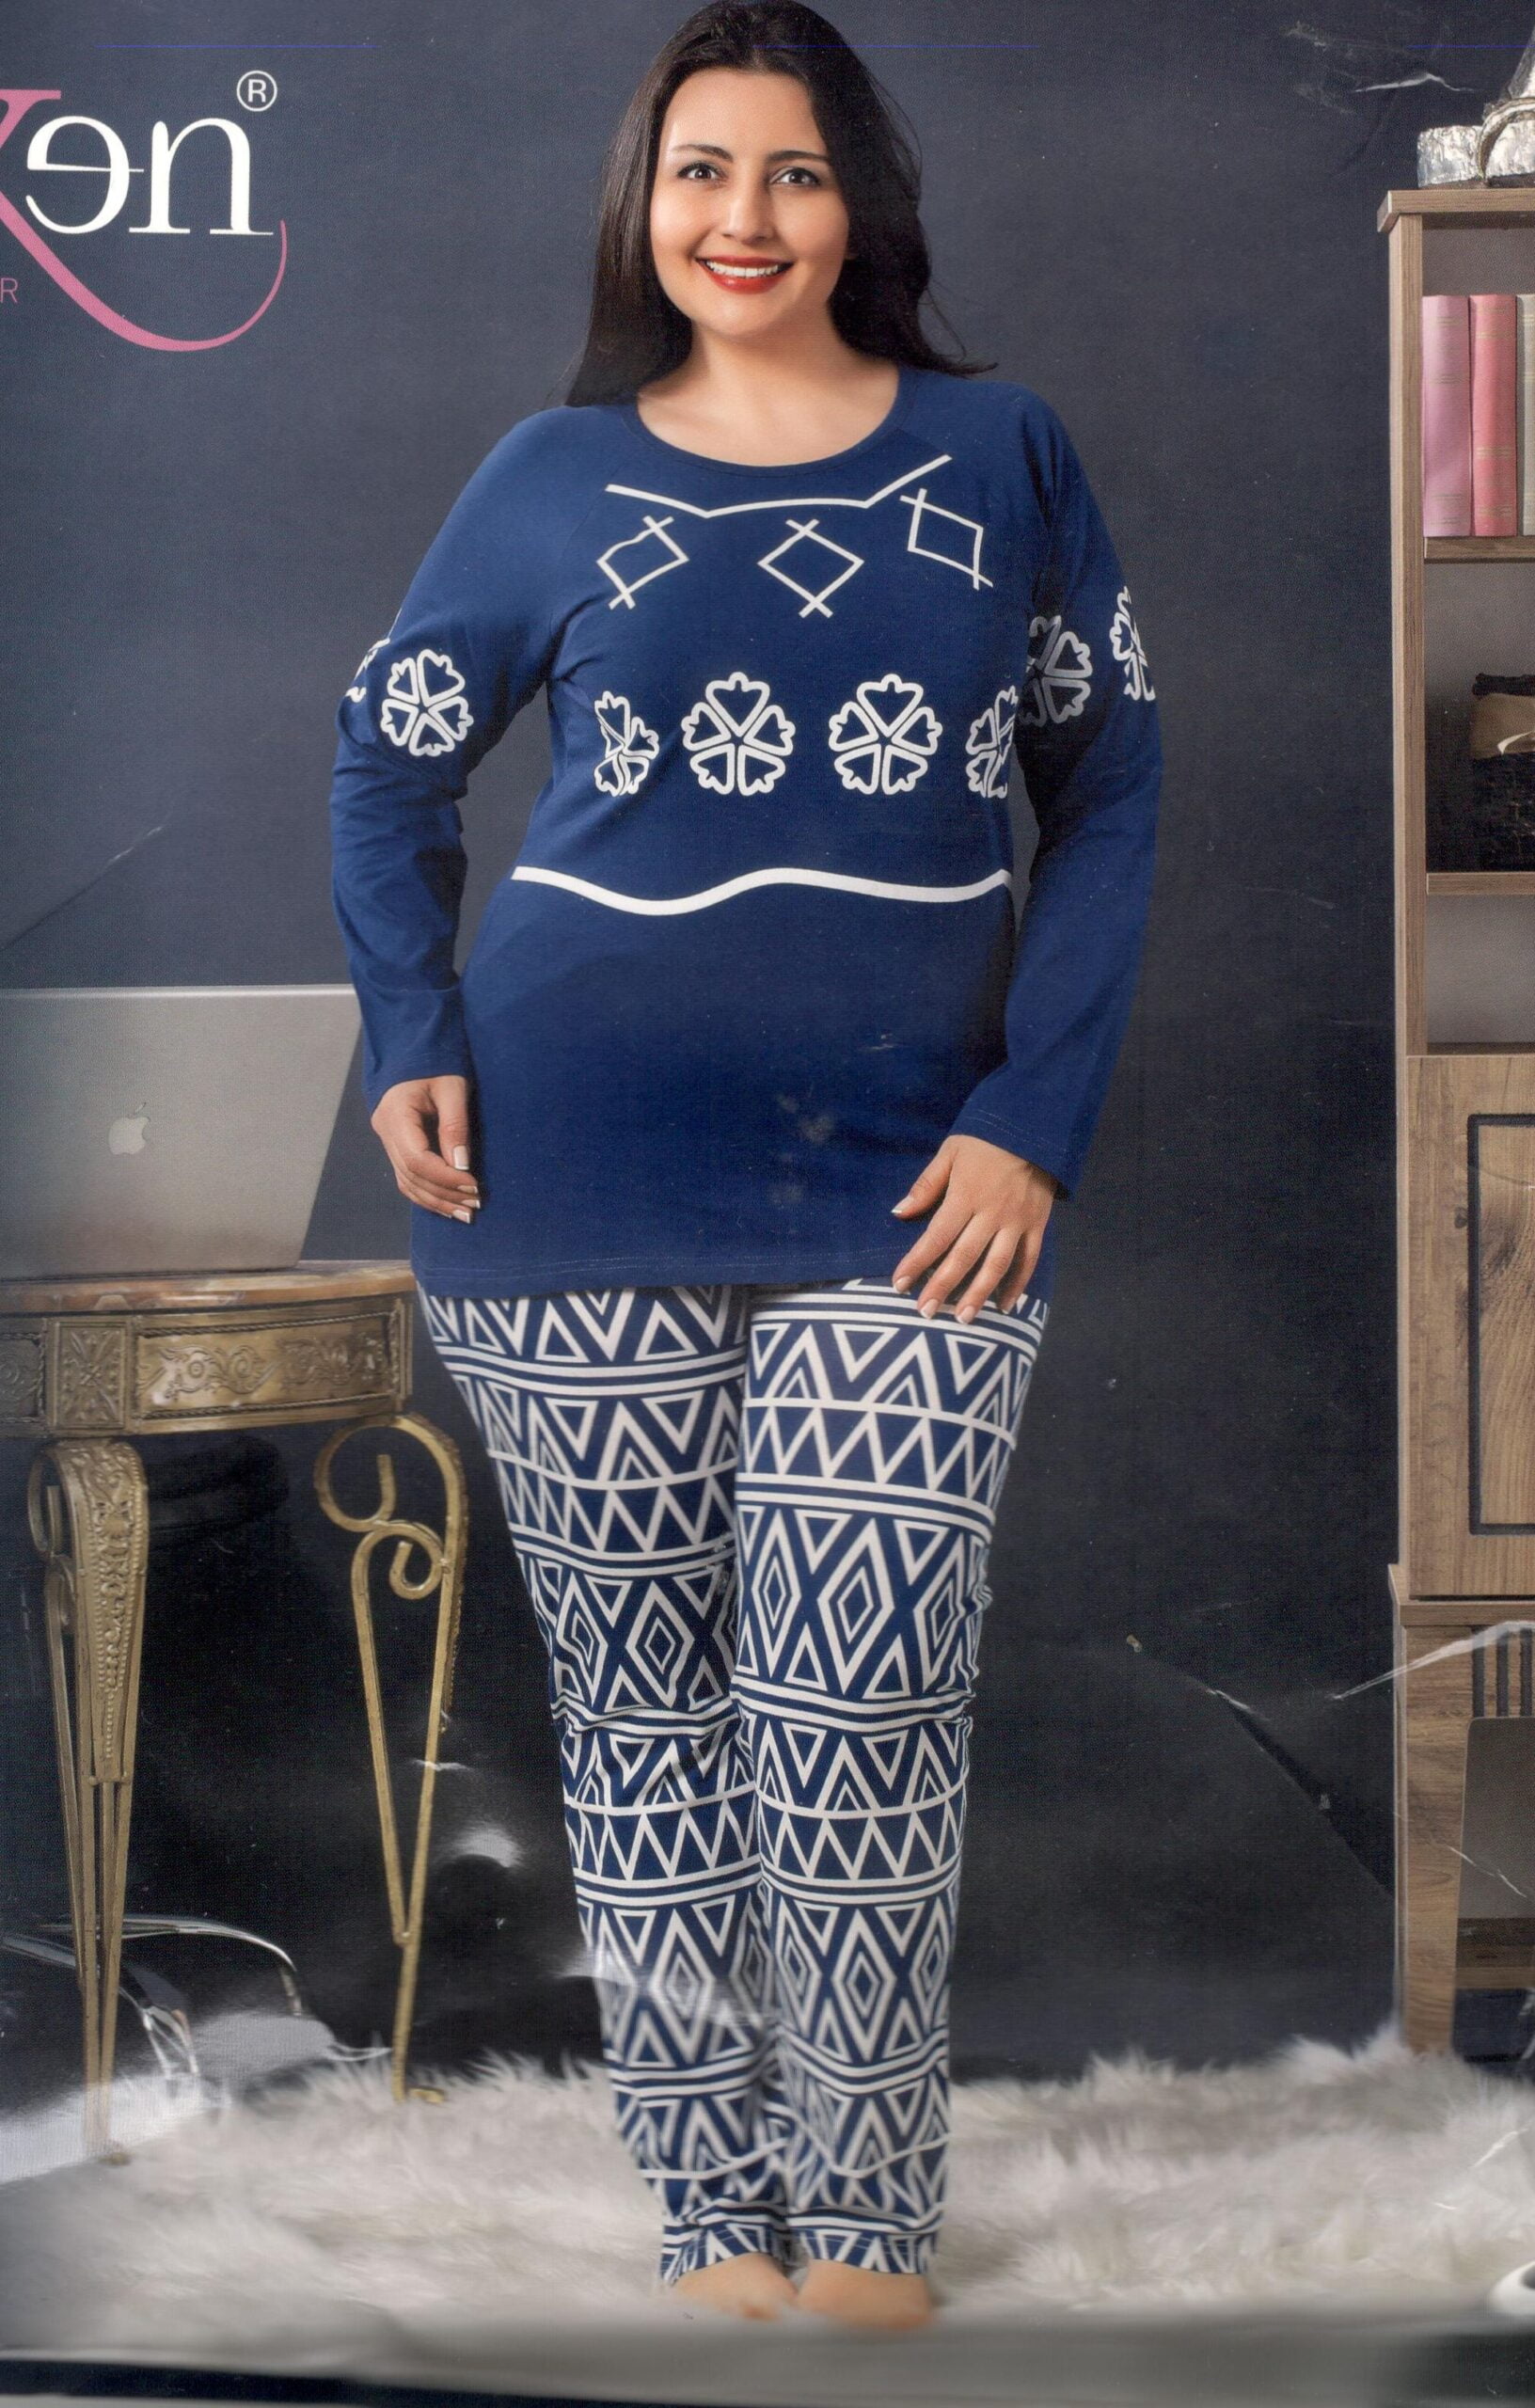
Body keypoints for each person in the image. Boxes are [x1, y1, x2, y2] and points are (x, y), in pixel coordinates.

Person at [329, 0, 1160, 2330]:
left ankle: (869, 2210)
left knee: (860, 1703)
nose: (744, 216)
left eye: (792, 169)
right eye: (700, 169)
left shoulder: (1003, 452)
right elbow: (385, 765)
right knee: (643, 1709)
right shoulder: (549, 474)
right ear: (644, 203)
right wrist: (411, 1037)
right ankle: (715, 2201)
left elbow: (1110, 789)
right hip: (564, 1174)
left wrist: (1032, 1116)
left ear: (859, 199)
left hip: (920, 1186)